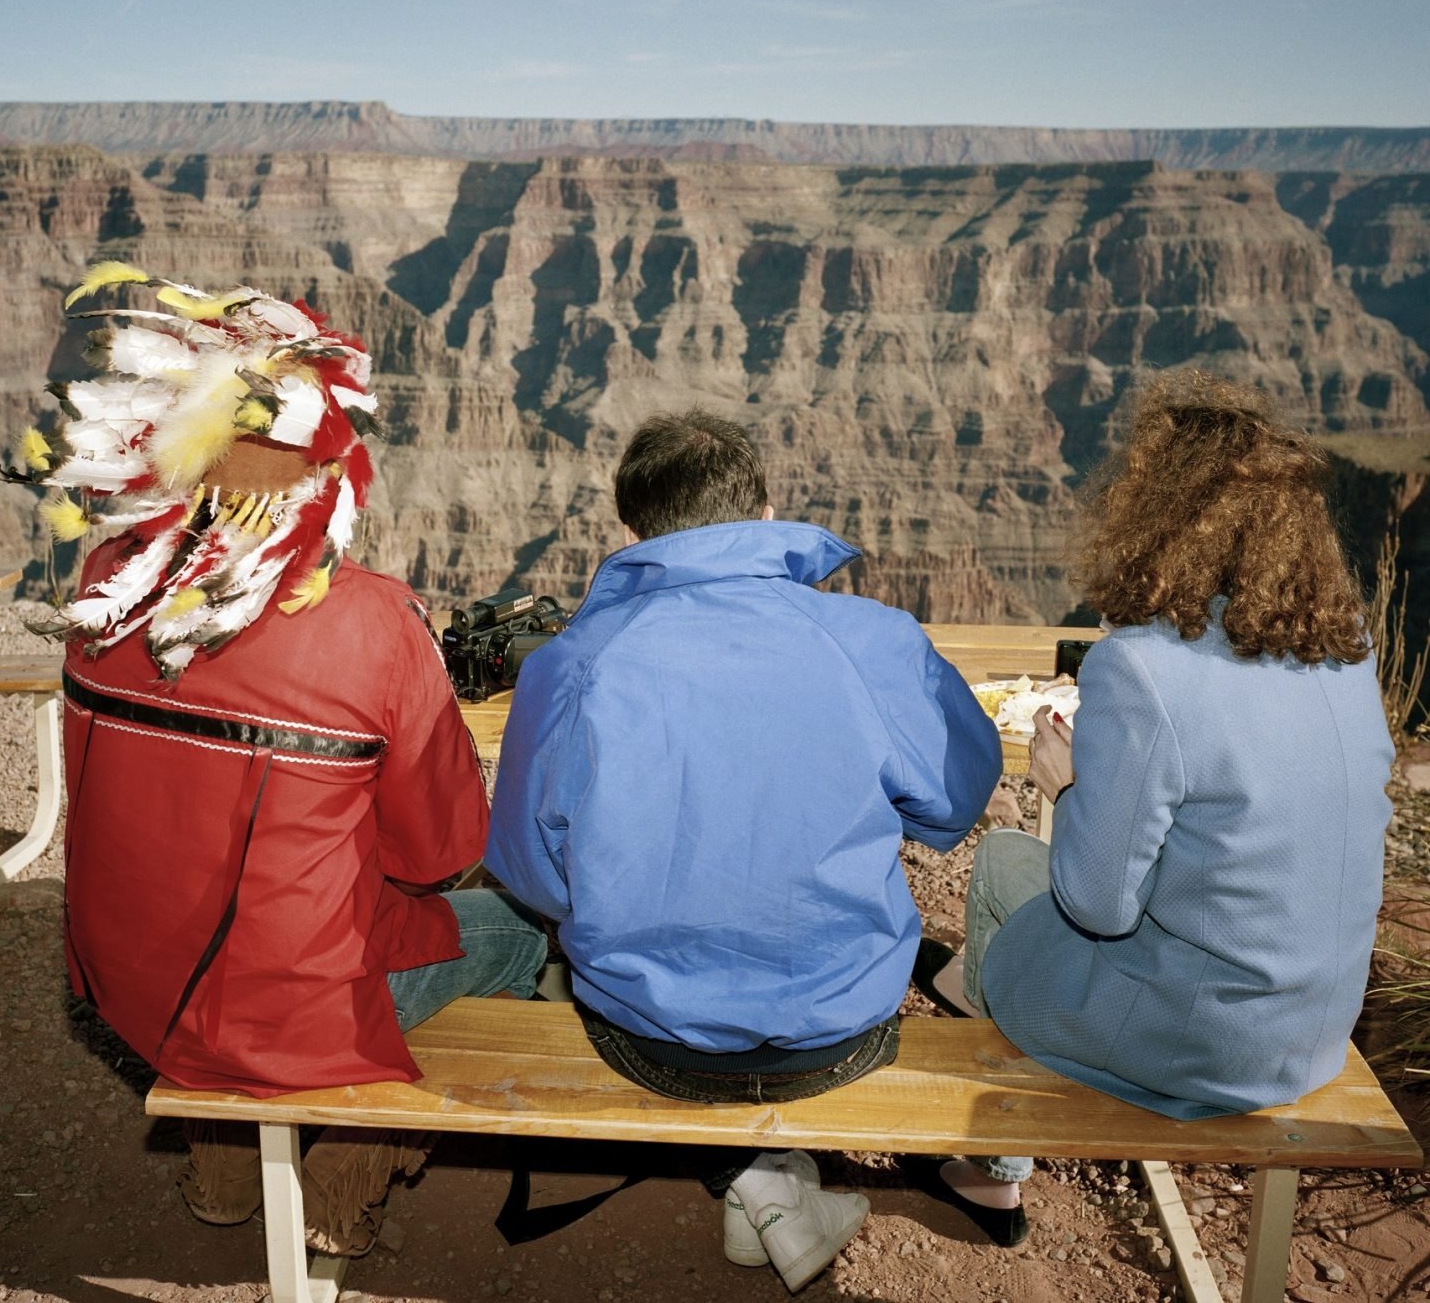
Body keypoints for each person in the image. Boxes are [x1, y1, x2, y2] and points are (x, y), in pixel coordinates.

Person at [10, 264, 546, 1256]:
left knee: (233, 920)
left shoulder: (104, 585)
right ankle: (345, 1185)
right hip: (289, 1005)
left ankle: (222, 1173)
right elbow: (436, 855)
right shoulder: (374, 620)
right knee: (512, 930)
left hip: (130, 977)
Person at [486, 407, 1002, 1293]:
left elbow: (533, 874)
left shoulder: (571, 665)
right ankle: (777, 1178)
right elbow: (954, 799)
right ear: (766, 513)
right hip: (843, 1035)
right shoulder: (871, 641)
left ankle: (756, 1178)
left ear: (630, 532)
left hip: (649, 1040)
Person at [912, 369, 1394, 1246]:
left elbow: (1098, 905)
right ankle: (967, 985)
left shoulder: (1142, 667)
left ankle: (994, 1176)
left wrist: (1066, 784)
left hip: (1211, 1043)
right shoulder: (1348, 646)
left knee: (1001, 868)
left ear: (1157, 514)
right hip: (1318, 1022)